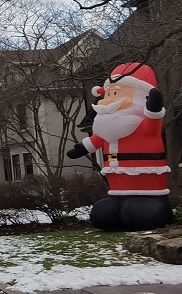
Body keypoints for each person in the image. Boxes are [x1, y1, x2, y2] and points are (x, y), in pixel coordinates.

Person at [66, 63, 174, 231]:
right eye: (109, 93)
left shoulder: (144, 125)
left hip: (149, 191)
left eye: (116, 93)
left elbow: (154, 120)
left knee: (138, 214)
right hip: (117, 191)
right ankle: (117, 208)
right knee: (104, 214)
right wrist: (80, 148)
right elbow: (96, 140)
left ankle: (155, 209)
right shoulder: (106, 130)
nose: (109, 100)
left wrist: (154, 106)